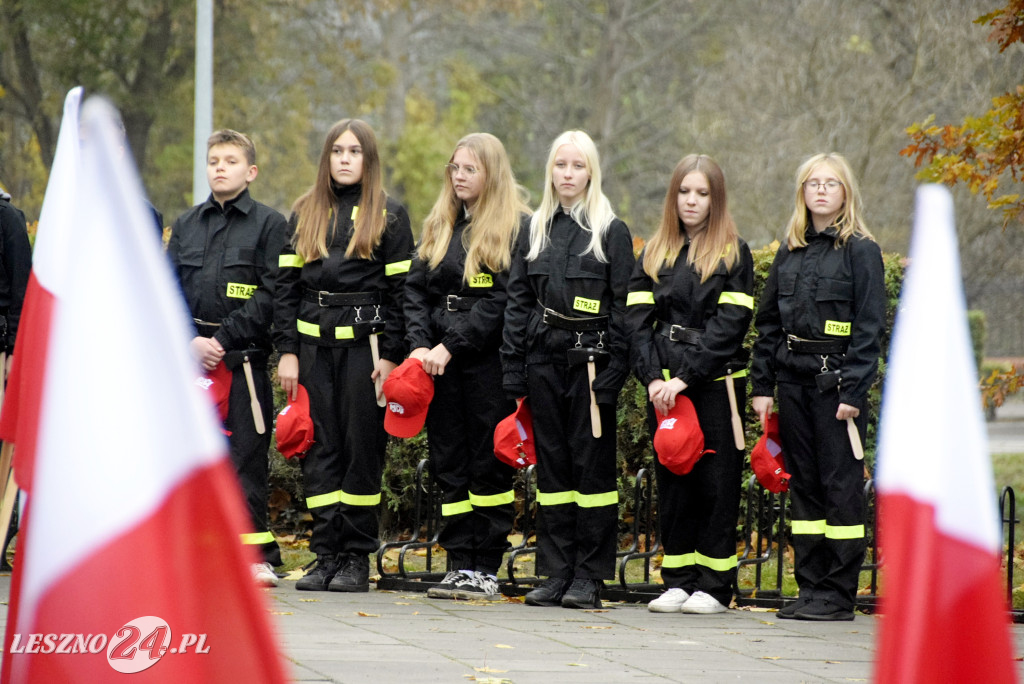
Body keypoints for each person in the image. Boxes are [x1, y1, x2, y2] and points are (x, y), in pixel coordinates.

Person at [274, 119, 414, 592]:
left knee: (360, 452)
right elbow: (284, 291)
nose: (346, 158)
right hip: (313, 352)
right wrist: (287, 353)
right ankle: (326, 553)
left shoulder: (390, 215)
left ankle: (355, 557)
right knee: (319, 452)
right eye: (338, 151)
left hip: (366, 350)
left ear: (368, 159)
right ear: (327, 158)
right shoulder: (304, 212)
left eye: (355, 151)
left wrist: (392, 356)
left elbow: (402, 295)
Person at [500, 130, 633, 609]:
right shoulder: (533, 228)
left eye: (577, 166)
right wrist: (513, 371)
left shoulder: (610, 231)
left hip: (592, 367)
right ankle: (556, 572)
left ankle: (589, 577)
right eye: (561, 165)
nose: (568, 174)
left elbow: (623, 310)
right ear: (550, 171)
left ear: (591, 171)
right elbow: (517, 304)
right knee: (553, 472)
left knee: (591, 472)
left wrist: (614, 374)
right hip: (543, 362)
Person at [750, 152, 885, 622]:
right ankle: (810, 588)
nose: (822, 190)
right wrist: (762, 385)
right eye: (813, 183)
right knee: (804, 487)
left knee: (840, 487)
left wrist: (853, 392)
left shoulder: (861, 250)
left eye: (832, 183)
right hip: (793, 382)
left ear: (846, 192)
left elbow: (869, 329)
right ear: (802, 192)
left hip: (836, 389)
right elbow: (768, 326)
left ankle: (838, 593)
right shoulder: (789, 251)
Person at [403, 133, 530, 601]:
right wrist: (420, 345)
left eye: (469, 169)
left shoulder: (516, 228)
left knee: (486, 466)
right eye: (454, 168)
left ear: (491, 173)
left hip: (486, 366)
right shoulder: (440, 223)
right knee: (448, 463)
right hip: (437, 366)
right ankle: (459, 563)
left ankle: (486, 566)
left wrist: (451, 345)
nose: (459, 176)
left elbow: (501, 301)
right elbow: (415, 291)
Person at [626, 154, 754, 614]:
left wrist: (684, 378)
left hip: (714, 384)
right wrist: (653, 379)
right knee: (674, 480)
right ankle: (678, 579)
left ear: (715, 199)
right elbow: (637, 322)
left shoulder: (734, 253)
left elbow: (730, 326)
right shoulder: (654, 250)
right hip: (665, 385)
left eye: (702, 193)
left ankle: (716, 586)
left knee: (716, 485)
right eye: (684, 192)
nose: (692, 201)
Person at [167, 129, 287, 586]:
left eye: (231, 161)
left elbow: (274, 291)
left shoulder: (270, 225)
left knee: (245, 458)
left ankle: (254, 553)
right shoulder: (187, 224)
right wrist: (189, 342)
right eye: (214, 160)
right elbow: (167, 289)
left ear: (250, 171)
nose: (220, 167)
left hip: (243, 361)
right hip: (190, 360)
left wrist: (224, 339)